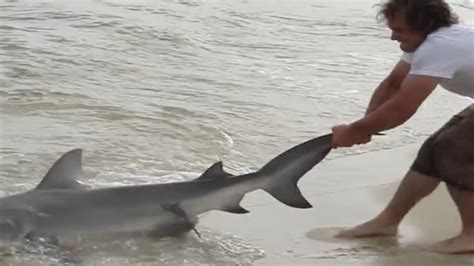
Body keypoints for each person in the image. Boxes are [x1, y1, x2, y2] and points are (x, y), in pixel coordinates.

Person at [330, 0, 474, 254]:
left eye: (399, 30)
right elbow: (395, 83)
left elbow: (402, 108)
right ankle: (387, 222)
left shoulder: (440, 47)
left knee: (452, 149)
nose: (393, 36)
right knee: (433, 150)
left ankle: (472, 236)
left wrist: (354, 130)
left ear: (424, 27)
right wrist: (366, 124)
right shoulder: (425, 42)